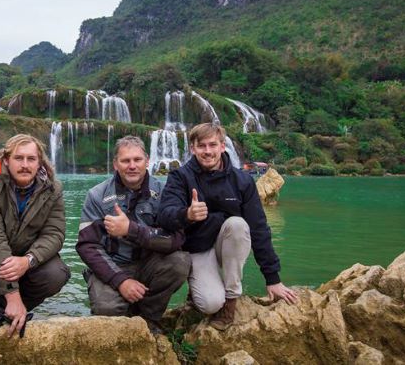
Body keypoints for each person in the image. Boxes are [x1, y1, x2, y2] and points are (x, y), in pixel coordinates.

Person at [157, 123, 297, 330]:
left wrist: (272, 278)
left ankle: (231, 300)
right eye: (201, 146)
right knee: (210, 303)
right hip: (198, 248)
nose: (207, 151)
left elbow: (259, 228)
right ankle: (198, 292)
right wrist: (186, 214)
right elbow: (164, 216)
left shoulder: (242, 181)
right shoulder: (180, 177)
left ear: (223, 146)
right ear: (193, 149)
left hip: (229, 245)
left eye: (212, 145)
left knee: (238, 224)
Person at [0, 134, 70, 336]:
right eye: (19, 158)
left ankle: (12, 312)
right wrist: (12, 294)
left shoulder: (53, 189)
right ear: (7, 160)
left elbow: (54, 233)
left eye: (31, 159)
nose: (25, 165)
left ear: (40, 163)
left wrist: (28, 260)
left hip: (25, 256)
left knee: (56, 273)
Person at [76, 136, 191, 333]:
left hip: (150, 264)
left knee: (180, 262)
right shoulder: (96, 195)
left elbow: (176, 239)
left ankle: (149, 318)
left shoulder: (165, 192)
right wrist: (120, 280)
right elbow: (87, 246)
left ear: (147, 161)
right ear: (115, 164)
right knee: (107, 310)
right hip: (112, 265)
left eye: (137, 160)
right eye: (125, 160)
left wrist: (131, 230)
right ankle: (123, 306)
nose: (132, 166)